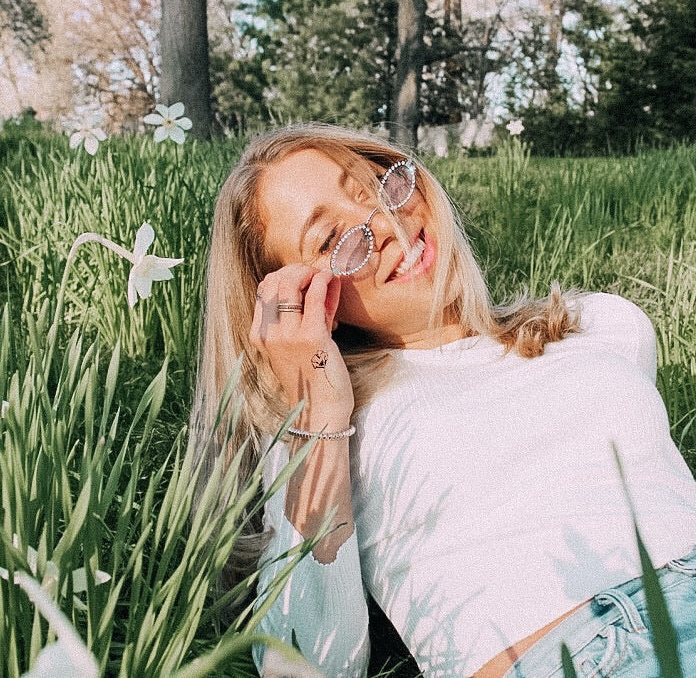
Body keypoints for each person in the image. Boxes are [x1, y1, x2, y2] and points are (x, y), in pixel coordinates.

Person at [189, 123, 696, 677]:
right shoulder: (330, 423)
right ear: (299, 302)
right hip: (585, 655)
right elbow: (308, 666)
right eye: (332, 241)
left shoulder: (602, 324)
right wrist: (315, 406)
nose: (385, 223)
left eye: (375, 186)